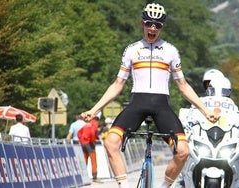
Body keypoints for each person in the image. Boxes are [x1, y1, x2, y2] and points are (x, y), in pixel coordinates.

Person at [81, 3, 219, 188]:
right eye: (149, 23)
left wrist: (205, 111)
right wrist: (94, 109)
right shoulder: (132, 50)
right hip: (136, 104)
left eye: (157, 25)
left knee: (183, 152)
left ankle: (164, 186)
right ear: (142, 23)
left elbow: (183, 86)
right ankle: (123, 186)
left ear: (162, 27)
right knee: (111, 143)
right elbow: (117, 84)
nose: (152, 28)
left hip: (162, 107)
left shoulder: (171, 51)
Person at [77, 117, 101, 183]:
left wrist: (81, 140)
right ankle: (94, 177)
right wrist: (93, 140)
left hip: (83, 143)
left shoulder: (86, 124)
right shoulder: (94, 123)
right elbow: (93, 132)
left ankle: (83, 176)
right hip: (90, 143)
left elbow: (79, 133)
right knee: (93, 161)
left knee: (85, 159)